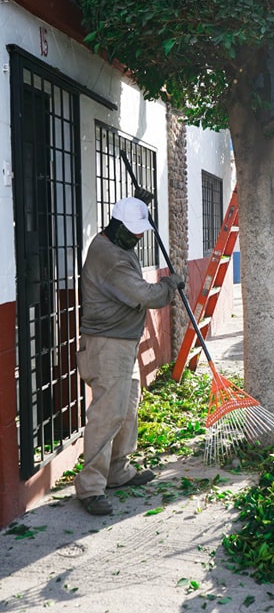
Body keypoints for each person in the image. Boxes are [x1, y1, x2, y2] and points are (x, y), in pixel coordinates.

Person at [75, 194, 183, 516]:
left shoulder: (118, 244)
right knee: (107, 415)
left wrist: (141, 202)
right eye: (134, 231)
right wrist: (169, 286)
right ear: (116, 225)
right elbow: (143, 294)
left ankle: (118, 470)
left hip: (123, 343)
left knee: (127, 409)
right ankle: (91, 487)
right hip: (108, 345)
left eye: (141, 230)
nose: (138, 236)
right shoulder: (110, 258)